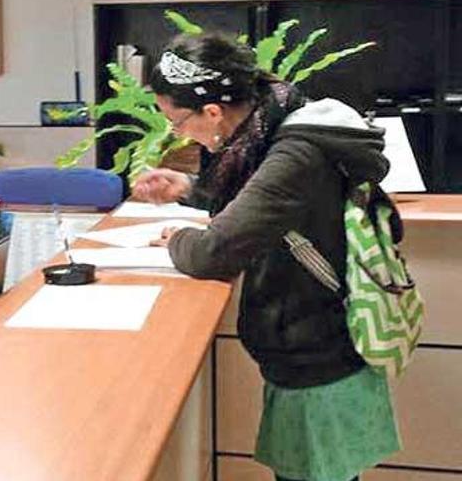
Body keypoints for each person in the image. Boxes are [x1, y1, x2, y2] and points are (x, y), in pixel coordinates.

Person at [134, 34, 400, 481]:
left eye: (175, 122)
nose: (175, 134)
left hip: (318, 354)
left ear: (213, 112)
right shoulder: (270, 126)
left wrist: (179, 237)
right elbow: (261, 205)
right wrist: (188, 191)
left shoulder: (294, 152)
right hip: (309, 342)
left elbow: (213, 253)